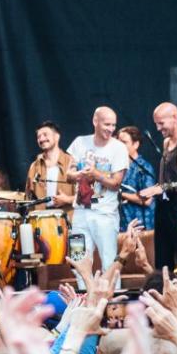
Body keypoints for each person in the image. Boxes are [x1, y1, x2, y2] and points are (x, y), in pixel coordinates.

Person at [66, 106, 128, 282]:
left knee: (109, 263)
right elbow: (68, 174)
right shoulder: (80, 142)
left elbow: (116, 183)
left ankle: (111, 306)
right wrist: (78, 175)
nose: (111, 129)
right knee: (78, 261)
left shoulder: (119, 148)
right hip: (80, 213)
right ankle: (85, 302)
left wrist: (95, 174)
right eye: (107, 124)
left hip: (105, 214)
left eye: (113, 125)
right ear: (95, 122)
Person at [140, 102, 177, 270]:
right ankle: (164, 292)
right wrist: (156, 189)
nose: (158, 128)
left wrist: (165, 187)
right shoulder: (167, 142)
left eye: (161, 123)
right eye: (156, 124)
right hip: (164, 206)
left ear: (174, 118)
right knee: (163, 257)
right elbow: (165, 175)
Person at [24, 121, 76, 213]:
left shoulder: (71, 162)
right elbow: (28, 199)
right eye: (38, 137)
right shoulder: (34, 166)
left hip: (67, 220)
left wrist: (67, 199)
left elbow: (87, 198)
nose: (41, 139)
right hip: (41, 221)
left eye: (45, 134)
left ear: (57, 137)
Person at [116, 126, 156, 232]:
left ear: (136, 144)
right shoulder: (116, 167)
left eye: (124, 142)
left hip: (141, 226)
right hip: (121, 226)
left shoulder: (144, 168)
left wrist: (121, 194)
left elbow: (147, 200)